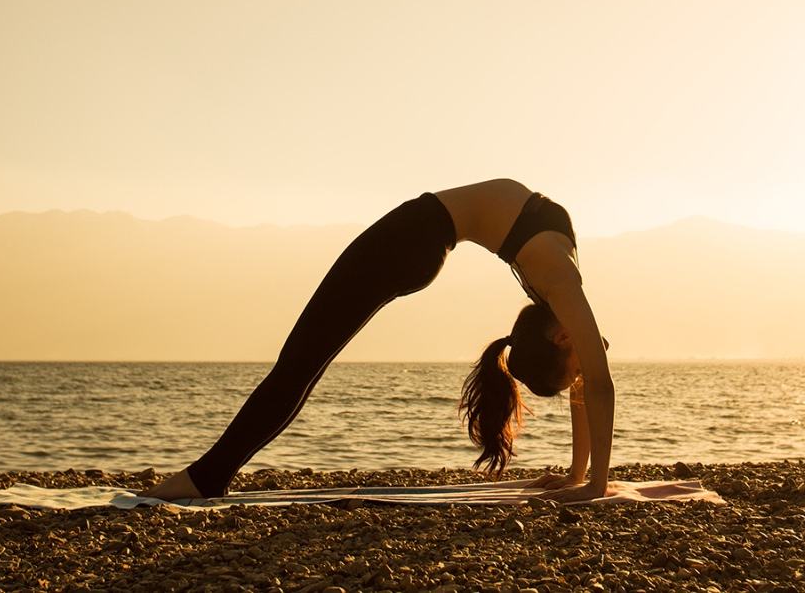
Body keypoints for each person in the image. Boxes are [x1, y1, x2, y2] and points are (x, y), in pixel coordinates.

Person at [142, 177, 617, 502]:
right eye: (573, 364)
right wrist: (587, 478)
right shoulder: (561, 288)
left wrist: (588, 481)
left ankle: (206, 479)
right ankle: (209, 476)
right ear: (560, 338)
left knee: (300, 362)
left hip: (412, 237)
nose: (584, 362)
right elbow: (595, 380)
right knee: (302, 363)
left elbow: (592, 379)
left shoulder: (558, 292)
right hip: (415, 240)